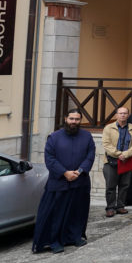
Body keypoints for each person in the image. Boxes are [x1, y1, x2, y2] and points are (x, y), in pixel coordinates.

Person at [32, 109, 95, 254]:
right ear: (66, 118)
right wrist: (65, 173)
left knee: (78, 212)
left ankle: (75, 237)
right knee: (56, 214)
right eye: (71, 118)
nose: (74, 122)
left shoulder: (87, 136)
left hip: (80, 181)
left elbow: (90, 156)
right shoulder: (54, 137)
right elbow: (50, 158)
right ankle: (55, 242)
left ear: (80, 121)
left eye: (77, 119)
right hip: (59, 182)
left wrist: (79, 171)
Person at [101, 106, 132, 218]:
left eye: (125, 113)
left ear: (128, 115)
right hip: (111, 161)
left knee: (124, 185)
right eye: (120, 113)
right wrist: (118, 154)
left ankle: (120, 206)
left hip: (127, 160)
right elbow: (106, 144)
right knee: (110, 186)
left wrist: (126, 154)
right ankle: (110, 208)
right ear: (116, 115)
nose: (123, 115)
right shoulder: (108, 128)